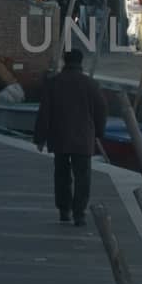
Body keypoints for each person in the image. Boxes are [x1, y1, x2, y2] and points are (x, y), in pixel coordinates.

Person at [32, 49, 107, 227]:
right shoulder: (91, 84)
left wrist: (40, 138)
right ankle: (79, 213)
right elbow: (102, 110)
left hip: (60, 137)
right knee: (83, 177)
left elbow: (45, 113)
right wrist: (98, 132)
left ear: (64, 62)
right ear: (81, 62)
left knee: (62, 176)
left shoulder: (54, 83)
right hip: (83, 138)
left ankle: (64, 210)